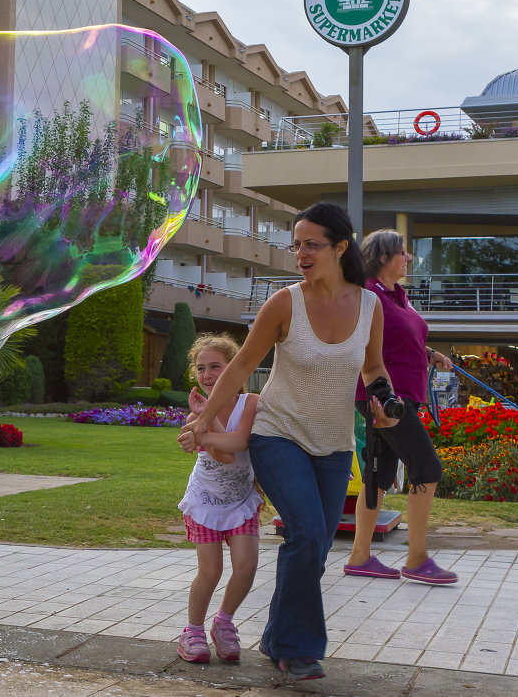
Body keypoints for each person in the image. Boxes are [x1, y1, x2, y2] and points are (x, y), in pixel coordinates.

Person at [179, 202, 399, 682]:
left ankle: (279, 635)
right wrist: (205, 422)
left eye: (311, 244)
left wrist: (382, 399)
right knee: (307, 532)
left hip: (335, 443)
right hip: (277, 434)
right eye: (295, 243)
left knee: (315, 549)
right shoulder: (284, 303)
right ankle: (299, 649)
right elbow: (239, 368)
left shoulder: (369, 306)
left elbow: (373, 367)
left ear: (340, 247)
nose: (300, 252)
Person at [344, 229, 458, 585]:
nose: (408, 258)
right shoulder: (366, 294)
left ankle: (360, 557)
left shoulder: (397, 296)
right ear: (383, 257)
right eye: (403, 253)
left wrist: (429, 353)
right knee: (426, 467)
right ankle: (417, 558)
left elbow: (395, 337)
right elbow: (362, 341)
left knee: (377, 475)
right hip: (384, 398)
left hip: (399, 395)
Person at [175, 333, 263, 665]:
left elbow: (239, 442)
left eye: (216, 366)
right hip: (205, 502)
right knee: (210, 571)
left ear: (234, 368)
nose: (208, 374)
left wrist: (202, 429)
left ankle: (223, 623)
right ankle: (193, 631)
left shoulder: (250, 402)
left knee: (247, 566)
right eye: (201, 368)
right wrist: (202, 420)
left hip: (241, 500)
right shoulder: (195, 415)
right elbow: (222, 456)